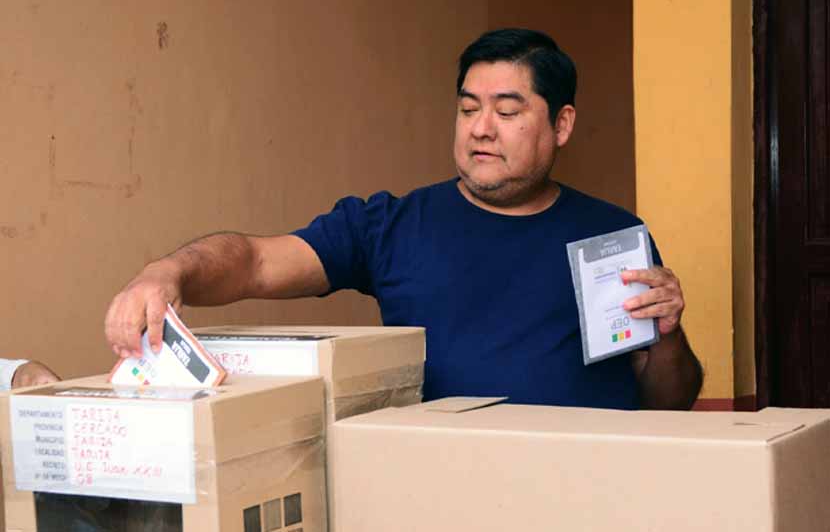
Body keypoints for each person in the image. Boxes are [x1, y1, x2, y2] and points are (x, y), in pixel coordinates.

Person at [105, 28, 702, 410]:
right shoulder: (389, 225)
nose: (481, 128)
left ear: (561, 124)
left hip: (583, 492)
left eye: (506, 111)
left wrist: (669, 334)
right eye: (468, 108)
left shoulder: (612, 237)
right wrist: (168, 272)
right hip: (426, 489)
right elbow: (257, 262)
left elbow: (670, 401)